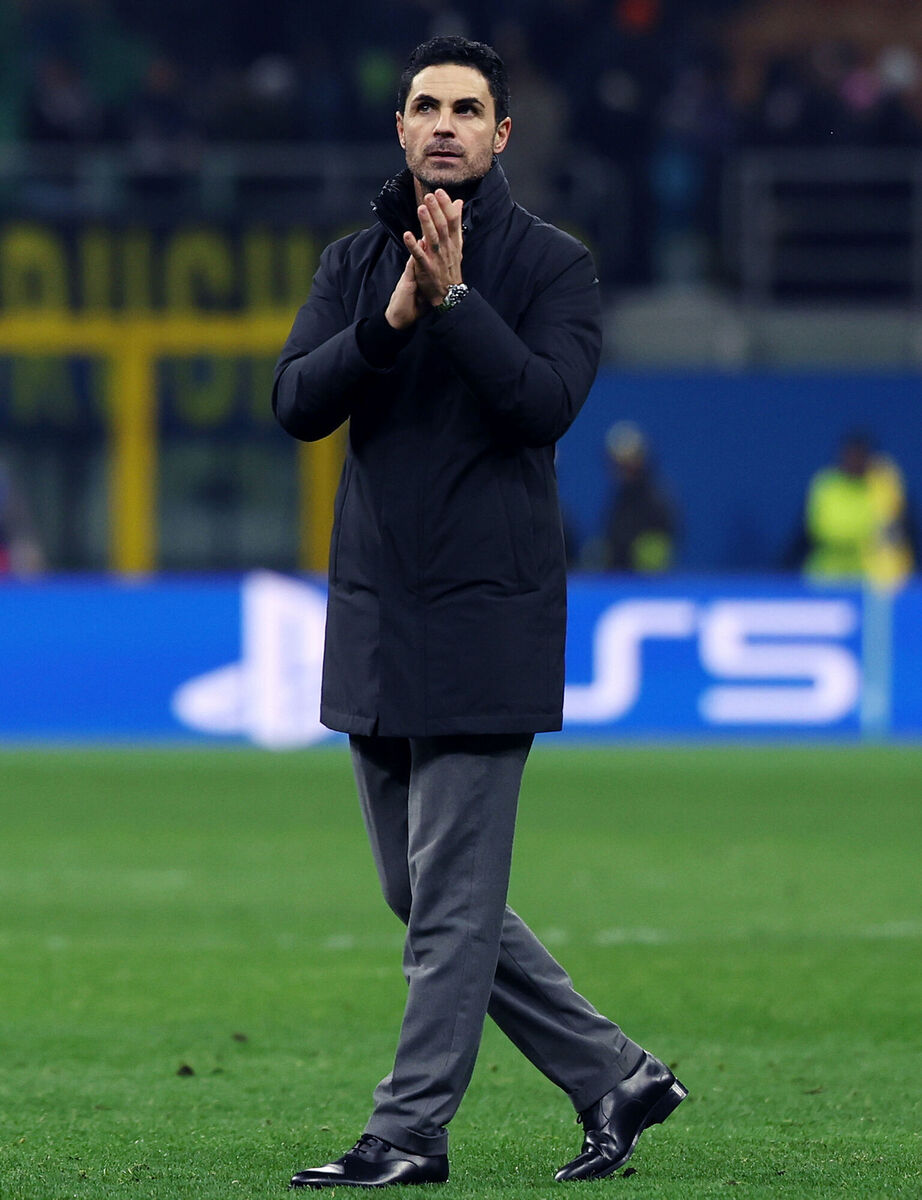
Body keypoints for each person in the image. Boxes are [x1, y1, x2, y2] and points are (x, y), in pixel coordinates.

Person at [273, 36, 686, 1190]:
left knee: (448, 904)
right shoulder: (355, 263)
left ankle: (406, 1133)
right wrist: (389, 321)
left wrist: (452, 304)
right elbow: (295, 402)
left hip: (485, 617)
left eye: (467, 108)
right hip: (374, 609)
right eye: (424, 105)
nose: (443, 123)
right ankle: (614, 1073)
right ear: (399, 129)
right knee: (420, 892)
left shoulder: (555, 265)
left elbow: (542, 403)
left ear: (502, 135)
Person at [798, 431, 916, 588]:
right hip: (827, 578)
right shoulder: (826, 485)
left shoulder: (884, 487)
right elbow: (823, 528)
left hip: (871, 580)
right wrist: (868, 534)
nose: (855, 461)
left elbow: (892, 529)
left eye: (861, 456)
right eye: (851, 456)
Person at [600, 420, 677, 572]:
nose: (621, 469)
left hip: (646, 581)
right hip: (617, 578)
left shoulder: (656, 499)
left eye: (627, 462)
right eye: (616, 463)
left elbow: (659, 549)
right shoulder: (619, 497)